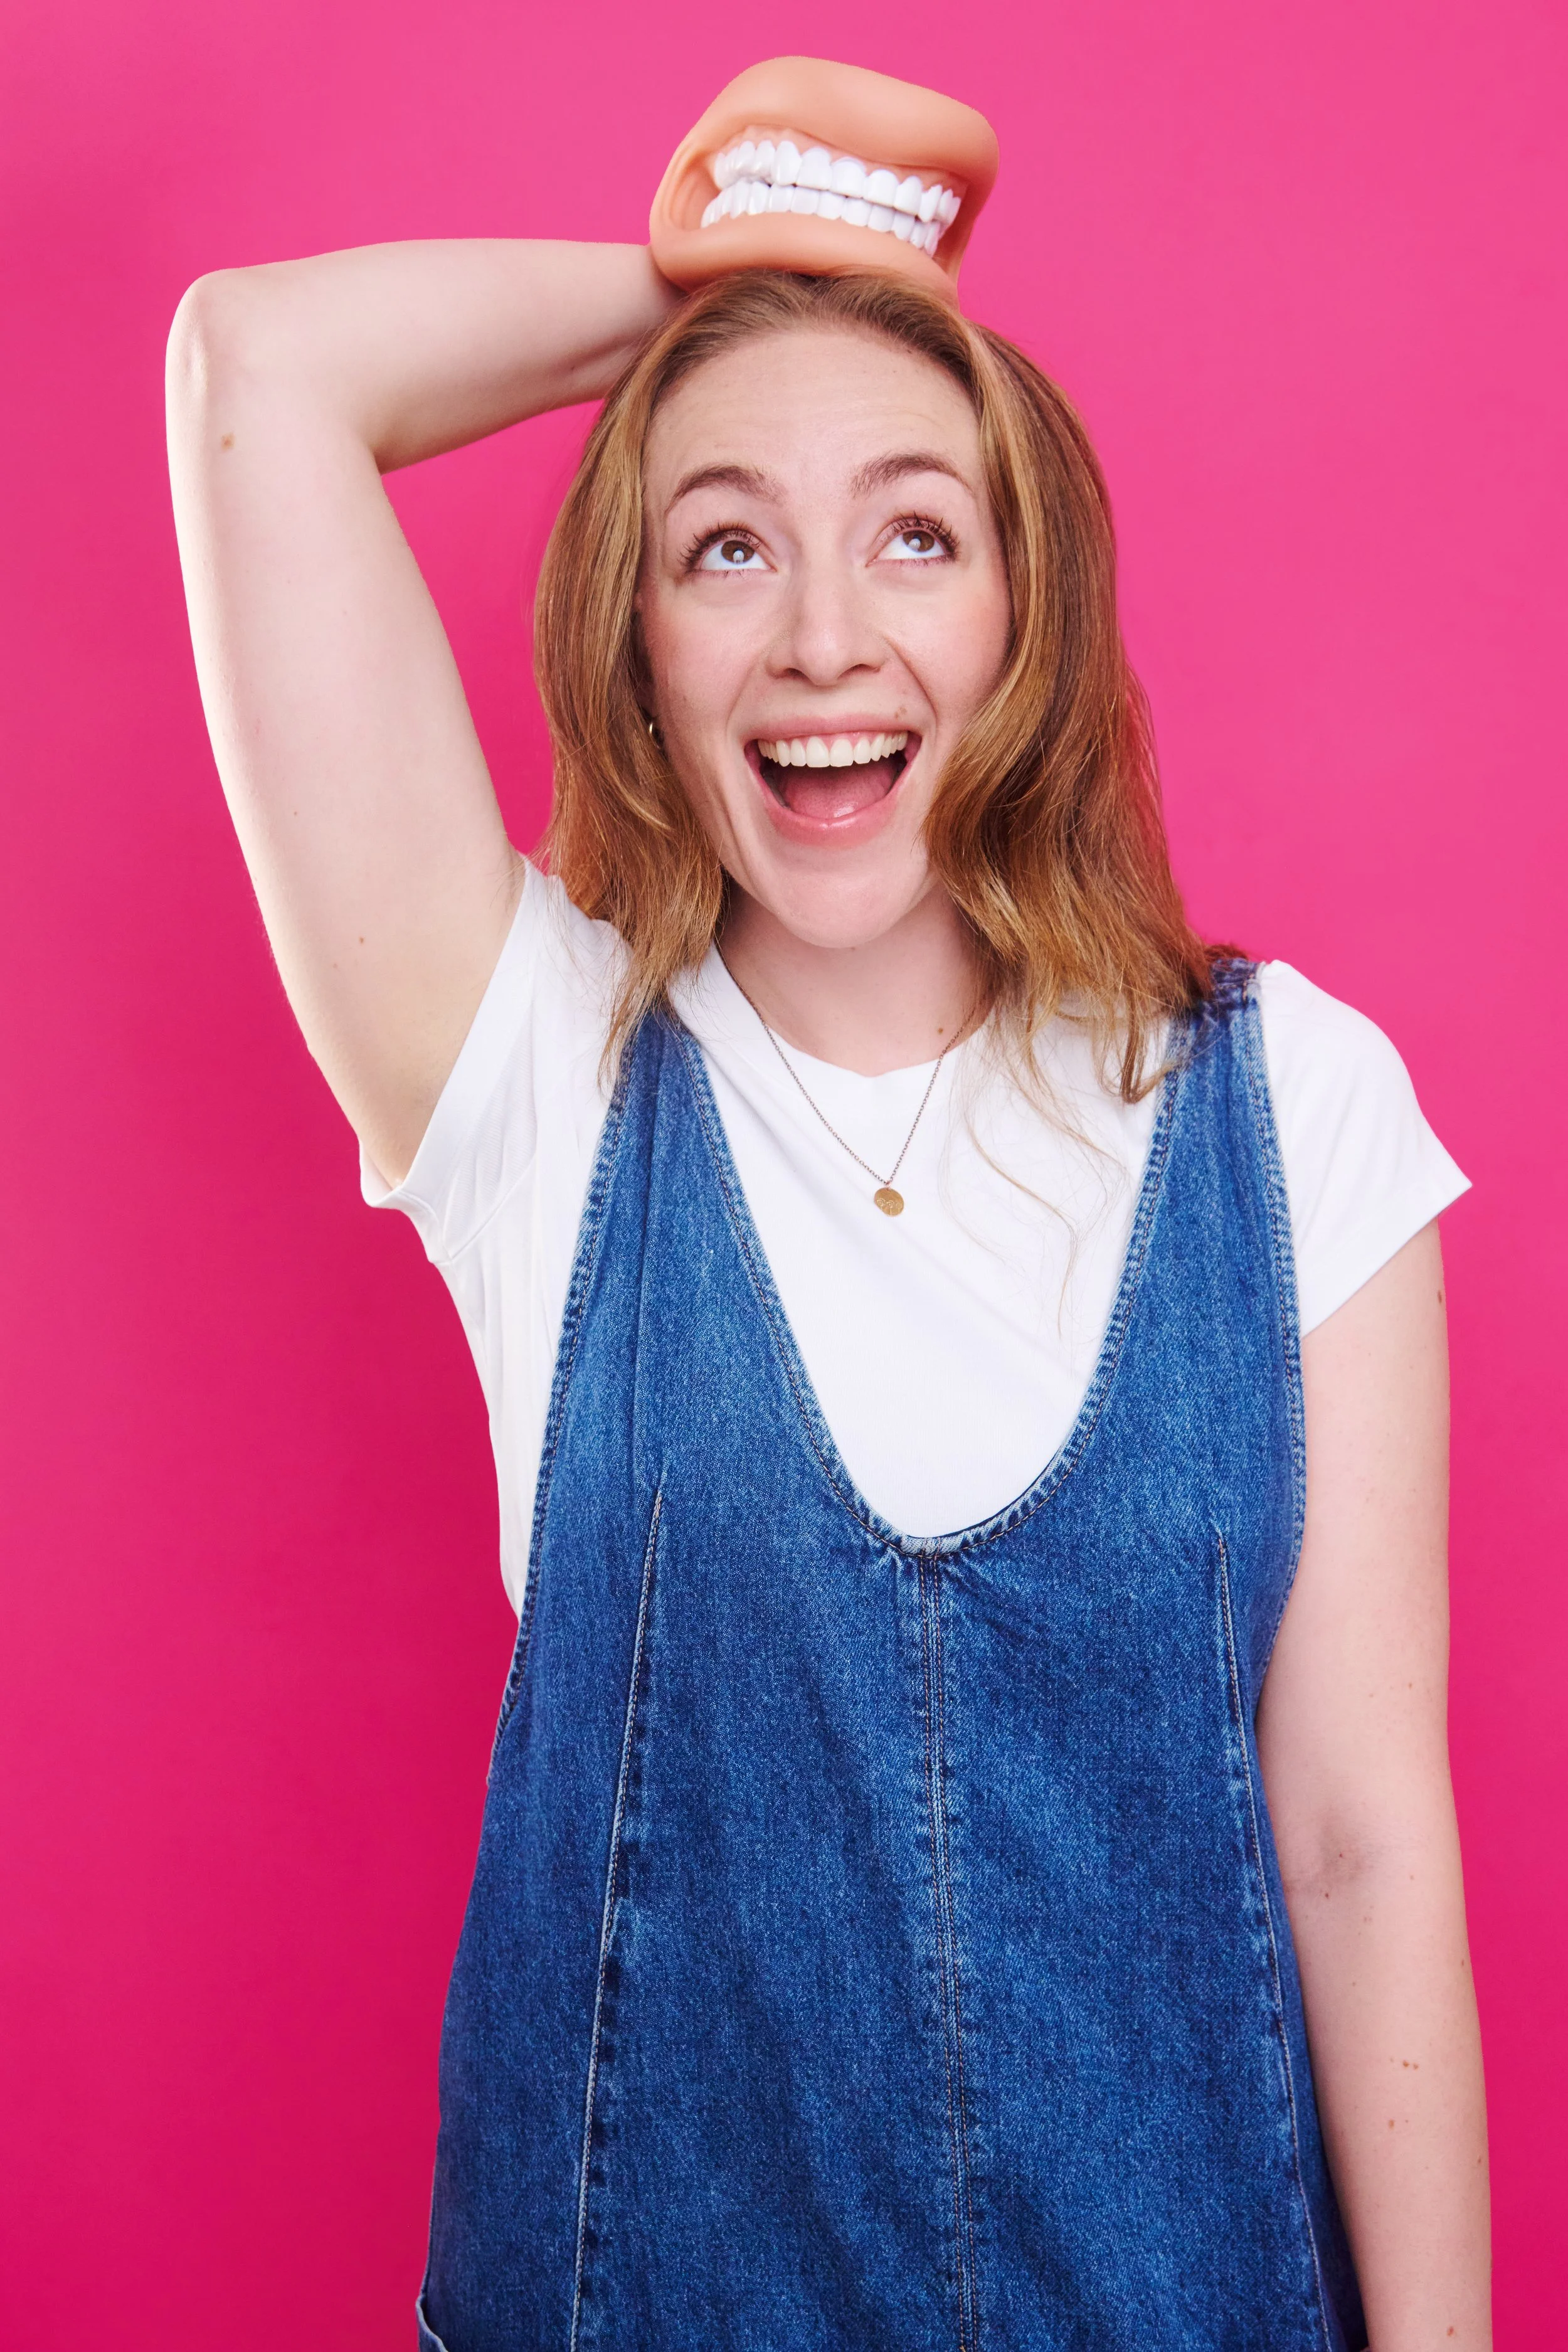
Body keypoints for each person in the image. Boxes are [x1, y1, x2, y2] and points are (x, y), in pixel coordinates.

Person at [166, 206, 1489, 2350]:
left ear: (1023, 611)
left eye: (912, 536)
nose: (818, 638)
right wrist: (747, 272)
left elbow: (1355, 1837)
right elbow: (256, 363)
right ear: (638, 647)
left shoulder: (1289, 1102)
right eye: (724, 547)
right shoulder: (534, 1073)